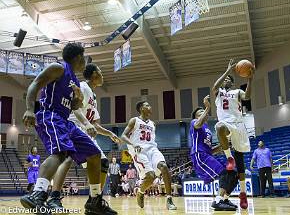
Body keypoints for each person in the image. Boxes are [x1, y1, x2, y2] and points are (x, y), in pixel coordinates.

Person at [21, 43, 116, 215]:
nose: (85, 61)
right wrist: (29, 109)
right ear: (79, 57)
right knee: (60, 153)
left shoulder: (74, 81)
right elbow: (35, 84)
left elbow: (72, 106)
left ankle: (94, 200)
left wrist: (76, 102)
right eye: (84, 57)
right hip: (50, 115)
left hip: (65, 121)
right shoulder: (58, 68)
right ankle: (38, 193)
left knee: (94, 154)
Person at [47, 63, 128, 211]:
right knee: (69, 158)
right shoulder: (83, 87)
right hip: (74, 126)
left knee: (103, 163)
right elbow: (74, 107)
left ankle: (94, 200)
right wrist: (85, 123)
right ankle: (54, 195)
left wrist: (110, 134)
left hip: (85, 130)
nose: (102, 75)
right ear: (94, 75)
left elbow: (95, 125)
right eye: (100, 71)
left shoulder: (93, 96)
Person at [212, 59, 254, 209]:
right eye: (225, 79)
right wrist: (228, 71)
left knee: (241, 162)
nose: (227, 81)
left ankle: (243, 194)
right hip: (226, 123)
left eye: (230, 79)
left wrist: (250, 78)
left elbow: (247, 97)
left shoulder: (237, 92)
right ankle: (229, 157)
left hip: (239, 125)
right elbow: (214, 86)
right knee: (219, 127)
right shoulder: (219, 92)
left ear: (233, 83)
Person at [120, 101, 177, 210]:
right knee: (150, 177)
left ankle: (169, 199)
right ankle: (140, 192)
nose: (150, 107)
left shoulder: (152, 124)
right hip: (139, 150)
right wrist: (133, 144)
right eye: (147, 105)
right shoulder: (134, 121)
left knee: (164, 167)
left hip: (152, 149)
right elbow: (123, 136)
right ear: (141, 108)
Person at [189, 95, 239, 211]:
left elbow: (210, 149)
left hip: (206, 154)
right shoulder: (194, 122)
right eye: (200, 112)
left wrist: (223, 146)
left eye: (204, 111)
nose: (203, 113)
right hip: (199, 155)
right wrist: (207, 107)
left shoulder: (207, 129)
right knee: (224, 172)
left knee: (233, 173)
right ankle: (217, 202)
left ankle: (225, 199)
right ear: (196, 116)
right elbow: (198, 123)